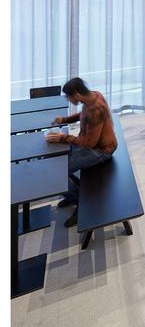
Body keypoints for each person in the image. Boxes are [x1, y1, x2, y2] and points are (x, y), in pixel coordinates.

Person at [45, 77, 117, 228]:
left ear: (76, 94)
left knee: (56, 173)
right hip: (94, 145)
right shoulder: (93, 96)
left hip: (102, 151)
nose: (68, 99)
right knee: (57, 160)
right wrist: (64, 119)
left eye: (68, 96)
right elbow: (82, 115)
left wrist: (62, 137)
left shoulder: (95, 109)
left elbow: (88, 143)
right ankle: (77, 191)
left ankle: (80, 201)